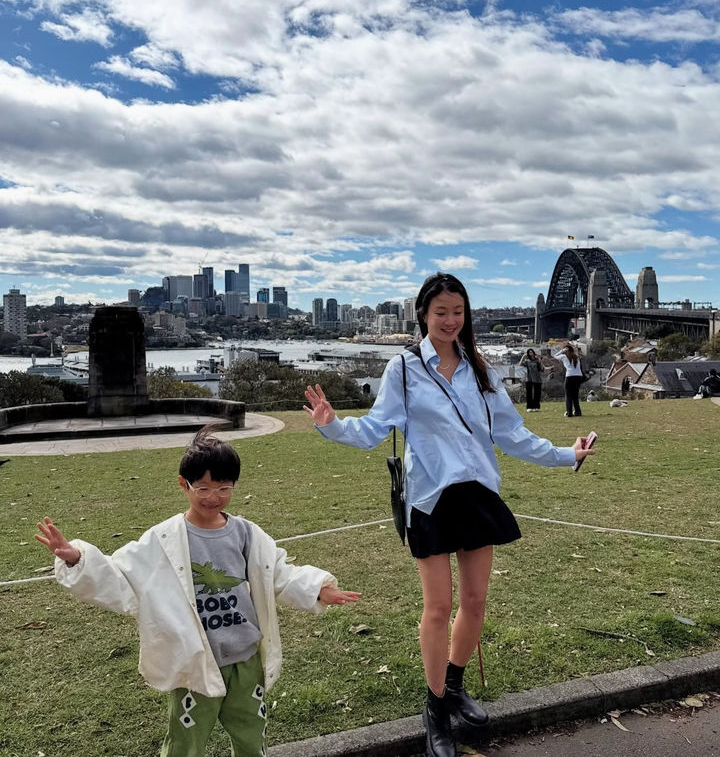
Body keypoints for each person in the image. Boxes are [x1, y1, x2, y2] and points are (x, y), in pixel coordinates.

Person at [303, 273, 594, 757]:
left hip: (478, 494)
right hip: (431, 499)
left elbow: (512, 433)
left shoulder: (480, 367)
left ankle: (455, 686)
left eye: (458, 312)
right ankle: (435, 707)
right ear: (423, 314)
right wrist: (332, 425)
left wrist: (568, 454)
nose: (450, 321)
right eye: (441, 312)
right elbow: (376, 428)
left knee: (475, 603)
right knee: (438, 608)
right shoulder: (403, 368)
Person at [34, 426, 360, 757]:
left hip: (245, 659)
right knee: (185, 742)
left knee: (251, 733)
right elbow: (122, 579)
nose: (212, 497)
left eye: (223, 488)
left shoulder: (247, 534)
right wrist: (78, 559)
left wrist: (318, 588)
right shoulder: (163, 539)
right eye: (202, 488)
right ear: (183, 485)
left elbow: (276, 574)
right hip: (195, 663)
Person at [554, 343, 584, 417]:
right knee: (575, 395)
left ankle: (569, 412)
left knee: (568, 395)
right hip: (578, 376)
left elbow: (555, 356)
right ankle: (578, 412)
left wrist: (562, 350)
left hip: (570, 376)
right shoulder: (576, 357)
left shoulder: (564, 356)